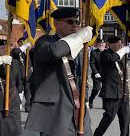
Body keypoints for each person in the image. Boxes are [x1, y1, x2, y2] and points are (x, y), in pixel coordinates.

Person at [24, 7, 93, 136]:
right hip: (56, 112)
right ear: (55, 23)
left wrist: (86, 100)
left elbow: (82, 76)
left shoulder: (81, 47)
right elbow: (56, 51)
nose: (75, 25)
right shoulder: (45, 42)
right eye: (70, 22)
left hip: (80, 109)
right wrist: (80, 36)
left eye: (77, 22)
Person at [94, 36, 130, 136]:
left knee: (125, 121)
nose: (120, 45)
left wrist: (123, 53)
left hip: (123, 92)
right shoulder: (104, 54)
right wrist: (123, 51)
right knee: (108, 118)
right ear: (110, 44)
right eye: (118, 43)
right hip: (111, 93)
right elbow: (113, 58)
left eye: (120, 43)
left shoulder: (121, 55)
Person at [11, 37, 32, 112]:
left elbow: (30, 62)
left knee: (28, 91)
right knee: (19, 90)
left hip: (27, 74)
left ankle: (28, 107)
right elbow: (16, 52)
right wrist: (24, 46)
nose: (24, 43)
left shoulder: (28, 52)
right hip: (18, 75)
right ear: (19, 42)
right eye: (22, 42)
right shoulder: (14, 50)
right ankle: (18, 106)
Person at [88, 39, 106, 108]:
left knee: (106, 90)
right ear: (97, 45)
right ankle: (91, 100)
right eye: (100, 44)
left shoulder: (107, 52)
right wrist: (95, 72)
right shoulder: (94, 52)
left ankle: (105, 104)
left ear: (105, 45)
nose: (101, 45)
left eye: (103, 44)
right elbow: (92, 63)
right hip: (97, 74)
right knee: (96, 89)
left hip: (105, 74)